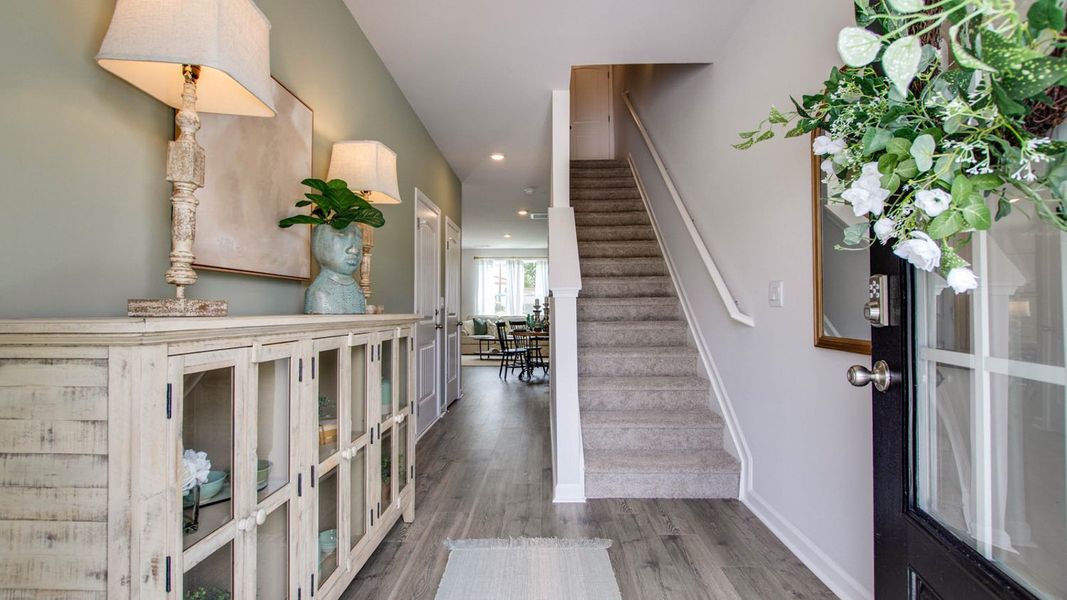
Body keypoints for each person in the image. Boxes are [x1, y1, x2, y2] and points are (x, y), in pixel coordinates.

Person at [305, 223, 366, 314]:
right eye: (342, 234)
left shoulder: (358, 293)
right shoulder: (318, 293)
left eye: (358, 237)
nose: (355, 250)